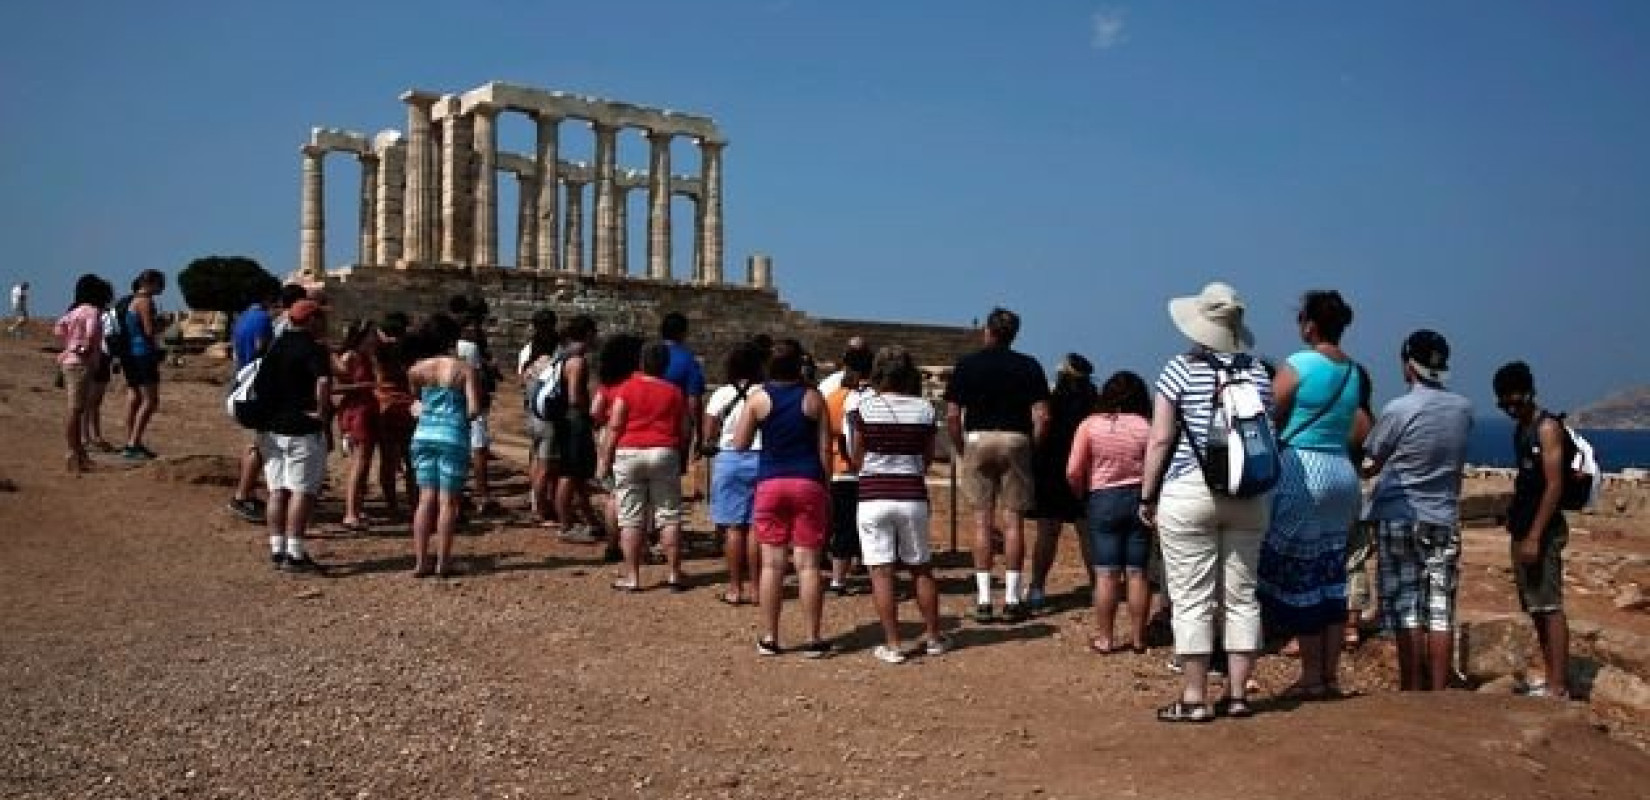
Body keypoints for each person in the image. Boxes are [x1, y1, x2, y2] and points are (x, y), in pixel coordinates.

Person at [1139, 282, 1272, 723]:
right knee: (1242, 596)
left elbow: (1160, 438)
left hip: (1189, 489)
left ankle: (1194, 697)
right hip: (1248, 494)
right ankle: (1237, 695)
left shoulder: (1179, 369)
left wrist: (1146, 494)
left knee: (1192, 597)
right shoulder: (1257, 372)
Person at [1259, 290, 1370, 701]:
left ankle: (1309, 675)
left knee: (1302, 576)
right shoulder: (1353, 372)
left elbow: (1267, 409)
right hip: (1342, 472)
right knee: (1331, 575)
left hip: (1303, 470)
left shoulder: (1301, 363)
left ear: (1309, 323)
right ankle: (1329, 674)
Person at [1362, 330, 1473, 691]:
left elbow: (1372, 459)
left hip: (1399, 513)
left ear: (1409, 365)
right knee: (1440, 610)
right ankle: (1439, 690)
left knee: (1406, 606)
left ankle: (1411, 687)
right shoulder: (1463, 409)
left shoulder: (1399, 409)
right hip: (1443, 514)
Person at [944, 307, 1050, 623]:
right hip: (1015, 437)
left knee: (981, 521)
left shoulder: (967, 364)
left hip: (978, 437)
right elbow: (1042, 416)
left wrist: (962, 446)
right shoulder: (1029, 365)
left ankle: (985, 597)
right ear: (1014, 334)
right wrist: (1033, 446)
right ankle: (1014, 596)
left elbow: (952, 414)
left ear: (987, 331)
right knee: (1014, 522)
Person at [733, 339, 833, 658]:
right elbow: (824, 449)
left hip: (771, 481)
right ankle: (814, 637)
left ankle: (770, 636)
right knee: (808, 565)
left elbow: (739, 443)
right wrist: (825, 486)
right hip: (807, 480)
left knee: (773, 565)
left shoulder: (758, 399)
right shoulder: (814, 398)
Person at [848, 345, 946, 664]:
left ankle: (893, 644)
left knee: (881, 572)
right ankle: (933, 636)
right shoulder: (925, 409)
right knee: (921, 567)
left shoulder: (863, 408)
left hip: (874, 493)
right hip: (911, 493)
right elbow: (929, 456)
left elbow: (857, 456)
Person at [1492, 361, 1574, 699]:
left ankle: (1558, 685)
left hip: (1542, 530)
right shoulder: (1521, 429)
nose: (1511, 409)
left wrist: (1536, 535)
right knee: (1535, 606)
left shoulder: (1547, 428)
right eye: (1504, 404)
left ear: (1529, 394)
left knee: (1549, 605)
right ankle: (1551, 676)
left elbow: (1553, 485)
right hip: (1523, 526)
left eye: (1516, 401)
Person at [1067, 370, 1153, 654]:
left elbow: (1073, 470)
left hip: (1103, 497)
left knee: (1106, 574)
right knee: (1138, 573)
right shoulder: (1147, 426)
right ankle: (1139, 637)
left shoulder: (1090, 425)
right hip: (1140, 498)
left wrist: (1081, 494)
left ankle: (1106, 637)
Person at [599, 338, 690, 591]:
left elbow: (615, 425)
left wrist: (605, 459)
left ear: (641, 361)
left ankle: (632, 576)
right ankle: (674, 572)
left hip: (630, 452)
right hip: (664, 451)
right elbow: (684, 429)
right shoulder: (674, 392)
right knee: (669, 514)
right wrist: (680, 456)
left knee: (631, 517)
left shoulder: (626, 389)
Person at [256, 299, 332, 572]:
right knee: (302, 491)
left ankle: (277, 549)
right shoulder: (313, 349)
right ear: (311, 320)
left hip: (274, 428)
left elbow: (261, 384)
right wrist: (322, 414)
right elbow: (323, 382)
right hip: (302, 427)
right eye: (321, 318)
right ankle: (296, 553)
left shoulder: (276, 346)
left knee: (277, 491)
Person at [407, 313, 481, 578]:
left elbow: (416, 403)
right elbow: (473, 409)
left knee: (425, 498)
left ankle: (420, 561)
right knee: (448, 502)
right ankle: (443, 562)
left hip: (423, 434)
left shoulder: (416, 370)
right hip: (453, 435)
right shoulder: (464, 370)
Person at [1028, 353, 1099, 612]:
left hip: (1052, 470)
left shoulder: (1051, 402)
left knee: (1047, 533)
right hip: (1085, 472)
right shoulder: (1095, 404)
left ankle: (1037, 587)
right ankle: (1096, 588)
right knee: (1087, 533)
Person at [703, 341, 766, 605]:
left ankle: (734, 587)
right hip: (762, 458)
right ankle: (756, 588)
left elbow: (709, 432)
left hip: (730, 458)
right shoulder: (764, 393)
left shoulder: (721, 394)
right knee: (755, 528)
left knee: (733, 527)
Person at [226, 285, 283, 523]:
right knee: (260, 444)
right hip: (259, 385)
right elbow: (261, 348)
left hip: (244, 379)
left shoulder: (243, 318)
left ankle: (245, 494)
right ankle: (242, 496)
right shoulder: (262, 319)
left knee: (260, 442)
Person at [824, 344, 875, 596]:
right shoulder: (874, 397)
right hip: (867, 468)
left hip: (838, 468)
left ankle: (837, 579)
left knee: (843, 525)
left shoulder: (832, 397)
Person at [55, 275, 112, 473]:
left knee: (76, 409)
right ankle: (73, 453)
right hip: (81, 364)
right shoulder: (92, 311)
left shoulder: (73, 311)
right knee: (76, 410)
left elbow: (59, 329)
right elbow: (90, 335)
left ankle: (78, 453)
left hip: (69, 362)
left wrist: (69, 346)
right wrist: (83, 349)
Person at [555, 316, 603, 543]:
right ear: (588, 334)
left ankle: (589, 519)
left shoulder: (562, 356)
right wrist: (590, 414)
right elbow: (575, 396)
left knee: (578, 475)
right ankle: (565, 525)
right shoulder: (577, 361)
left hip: (566, 421)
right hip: (574, 421)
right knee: (570, 473)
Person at [334, 320, 382, 531]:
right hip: (356, 412)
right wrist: (362, 385)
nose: (376, 338)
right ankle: (350, 512)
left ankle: (357, 508)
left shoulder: (367, 357)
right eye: (372, 334)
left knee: (365, 463)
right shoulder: (350, 357)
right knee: (359, 463)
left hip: (367, 410)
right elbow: (335, 387)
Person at [118, 270, 167, 460]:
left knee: (135, 398)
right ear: (151, 283)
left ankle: (131, 440)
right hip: (144, 353)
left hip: (131, 354)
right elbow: (149, 330)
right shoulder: (145, 301)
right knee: (151, 401)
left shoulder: (132, 300)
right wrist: (163, 323)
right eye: (160, 283)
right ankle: (133, 444)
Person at [373, 312, 418, 519]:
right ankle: (414, 502)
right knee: (411, 460)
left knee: (388, 459)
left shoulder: (380, 350)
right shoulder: (408, 350)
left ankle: (392, 503)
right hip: (407, 406)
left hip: (385, 405)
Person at [520, 314, 563, 526]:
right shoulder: (552, 364)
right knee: (547, 467)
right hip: (548, 419)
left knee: (537, 462)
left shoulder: (529, 364)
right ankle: (541, 509)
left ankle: (538, 503)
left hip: (532, 416)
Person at [456, 316, 501, 516]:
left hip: (454, 402)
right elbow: (474, 376)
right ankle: (481, 491)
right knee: (478, 446)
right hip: (471, 401)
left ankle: (462, 489)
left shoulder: (451, 348)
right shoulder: (470, 348)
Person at [660, 311, 707, 457]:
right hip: (674, 434)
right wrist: (699, 433)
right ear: (683, 333)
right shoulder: (689, 361)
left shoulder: (647, 357)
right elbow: (693, 401)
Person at [82, 277, 118, 454]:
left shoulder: (105, 313)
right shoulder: (93, 313)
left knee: (94, 401)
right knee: (89, 401)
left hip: (103, 358)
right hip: (96, 357)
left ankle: (94, 435)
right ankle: (86, 436)